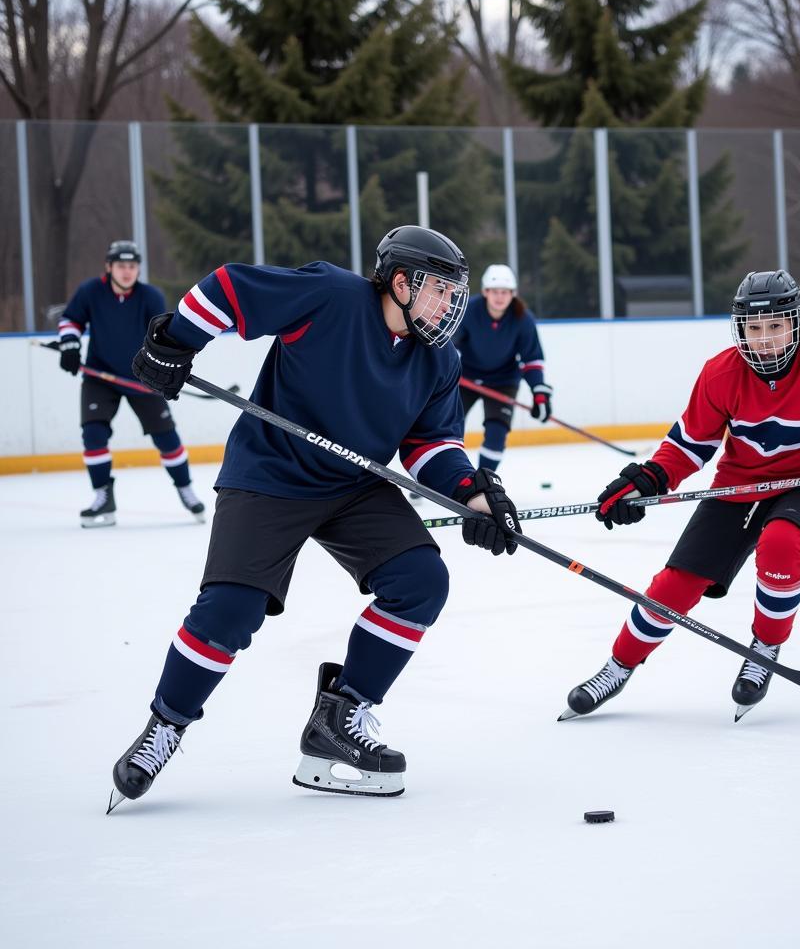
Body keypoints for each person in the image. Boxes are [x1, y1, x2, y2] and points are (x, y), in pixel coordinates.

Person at [107, 225, 523, 812]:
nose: (451, 304)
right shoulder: (332, 296)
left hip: (352, 484)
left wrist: (474, 495)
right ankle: (166, 725)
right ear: (401, 282)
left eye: (455, 294)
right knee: (231, 609)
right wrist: (177, 341)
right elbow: (229, 288)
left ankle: (341, 714)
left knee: (421, 581)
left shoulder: (439, 360)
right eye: (440, 290)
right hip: (270, 475)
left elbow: (430, 445)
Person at [561, 270, 800, 722]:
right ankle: (617, 666)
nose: (765, 340)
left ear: (799, 322)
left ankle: (765, 648)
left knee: (780, 544)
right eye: (754, 329)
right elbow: (689, 445)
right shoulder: (721, 373)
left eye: (775, 326)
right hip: (738, 487)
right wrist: (648, 478)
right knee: (674, 586)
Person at [56, 240, 206, 528]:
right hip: (99, 376)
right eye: (121, 266)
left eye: (132, 266)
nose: (127, 272)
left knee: (166, 437)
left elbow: (160, 338)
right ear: (109, 267)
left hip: (142, 377)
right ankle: (103, 497)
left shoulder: (150, 296)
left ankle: (185, 488)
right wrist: (70, 345)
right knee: (93, 433)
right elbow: (71, 320)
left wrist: (165, 369)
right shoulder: (90, 292)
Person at [452, 264, 553, 473]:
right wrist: (447, 371)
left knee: (497, 431)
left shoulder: (523, 318)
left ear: (513, 294)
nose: (500, 297)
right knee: (449, 425)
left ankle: (483, 481)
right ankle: (442, 476)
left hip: (503, 381)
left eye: (505, 292)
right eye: (494, 291)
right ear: (485, 292)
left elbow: (531, 359)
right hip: (466, 378)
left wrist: (539, 392)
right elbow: (450, 346)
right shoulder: (468, 310)